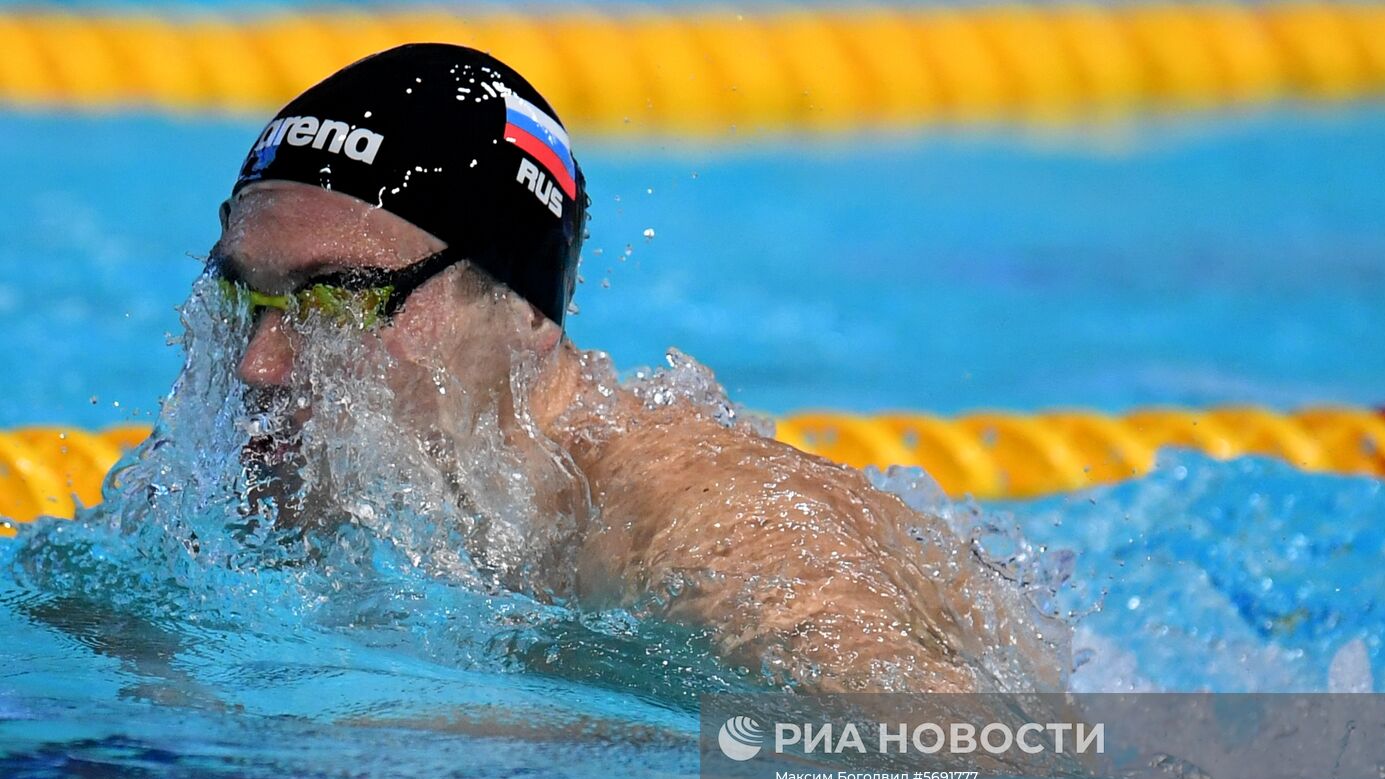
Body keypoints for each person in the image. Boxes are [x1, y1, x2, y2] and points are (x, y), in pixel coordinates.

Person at [211, 43, 1063, 693]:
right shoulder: (381, 511)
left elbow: (983, 775)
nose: (259, 365)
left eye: (343, 301)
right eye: (248, 298)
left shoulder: (701, 533)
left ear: (527, 309)